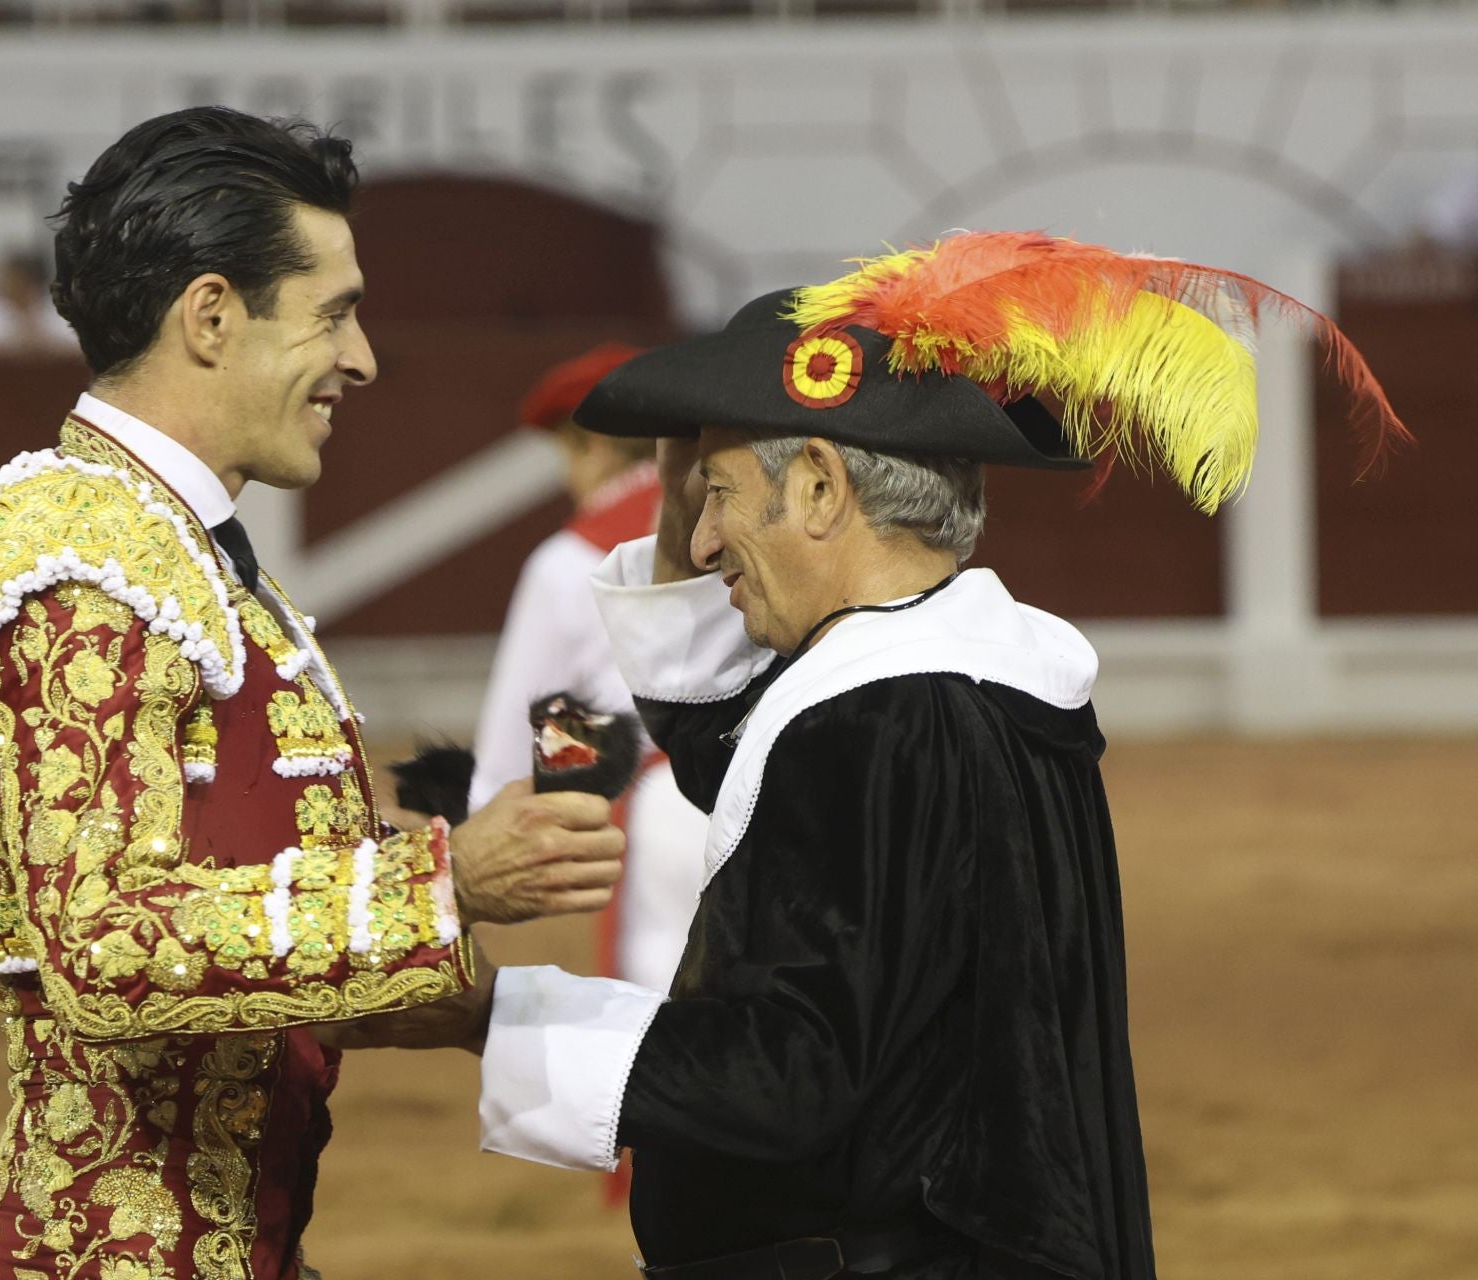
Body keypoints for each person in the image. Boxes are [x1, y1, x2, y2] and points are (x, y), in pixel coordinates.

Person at [323, 231, 1407, 1278]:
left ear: (822, 489)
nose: (700, 540)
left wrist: (488, 1012)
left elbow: (791, 1075)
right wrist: (682, 478)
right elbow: (728, 746)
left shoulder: (879, 722)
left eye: (722, 494)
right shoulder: (967, 687)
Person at [0, 106, 624, 1280]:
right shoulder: (88, 562)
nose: (360, 358)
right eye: (335, 312)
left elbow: (260, 945)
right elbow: (106, 943)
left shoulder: (182, 561)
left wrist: (566, 1030)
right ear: (211, 317)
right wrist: (448, 877)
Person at [468, 342, 708, 999]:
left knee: (666, 1024)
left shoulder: (568, 558)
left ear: (593, 447)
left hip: (665, 808)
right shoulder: (742, 520)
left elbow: (516, 747)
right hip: (774, 790)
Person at [0, 247, 79, 357]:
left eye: (20, 281)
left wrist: (44, 344)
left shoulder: (59, 313)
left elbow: (79, 352)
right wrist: (4, 348)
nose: (12, 286)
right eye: (9, 280)